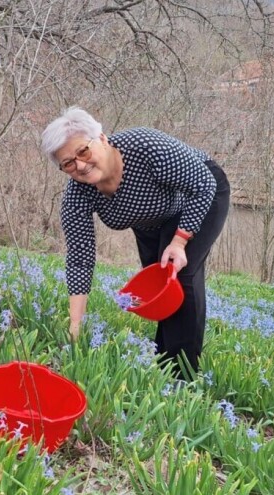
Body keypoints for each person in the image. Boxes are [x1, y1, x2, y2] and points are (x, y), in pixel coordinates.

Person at [41, 107, 230, 379]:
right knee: (160, 289)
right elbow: (80, 259)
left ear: (103, 139)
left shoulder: (145, 147)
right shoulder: (77, 196)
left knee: (180, 278)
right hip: (151, 221)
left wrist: (179, 241)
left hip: (201, 195)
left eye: (83, 151)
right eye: (68, 163)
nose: (79, 165)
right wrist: (75, 325)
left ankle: (182, 379)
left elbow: (203, 184)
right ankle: (163, 364)